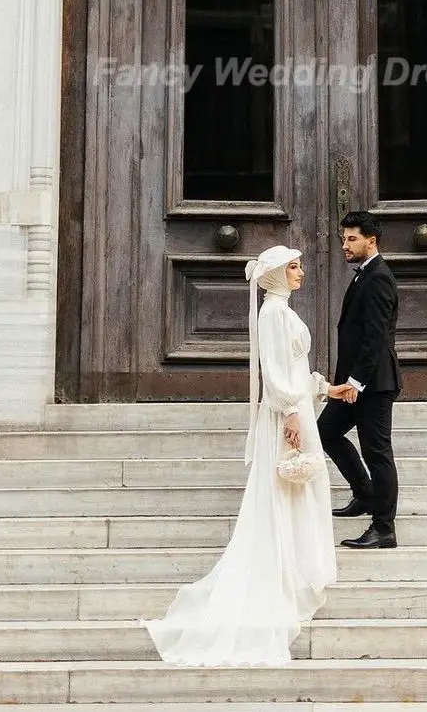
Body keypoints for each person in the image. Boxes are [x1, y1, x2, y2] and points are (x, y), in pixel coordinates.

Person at [145, 244, 349, 666]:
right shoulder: (273, 314)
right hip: (288, 415)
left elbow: (292, 368)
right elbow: (274, 371)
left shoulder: (283, 312)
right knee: (290, 484)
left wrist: (325, 390)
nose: (301, 273)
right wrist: (291, 410)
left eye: (299, 266)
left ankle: (298, 563)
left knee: (301, 487)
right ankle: (288, 569)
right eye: (293, 267)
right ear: (275, 275)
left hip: (299, 408)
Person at [318, 211, 402, 550]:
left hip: (372, 384)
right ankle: (364, 493)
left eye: (352, 238)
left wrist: (355, 382)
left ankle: (384, 528)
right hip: (351, 383)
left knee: (377, 453)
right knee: (324, 432)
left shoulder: (379, 277)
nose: (345, 245)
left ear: (372, 240)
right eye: (343, 238)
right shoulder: (364, 275)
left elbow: (376, 338)